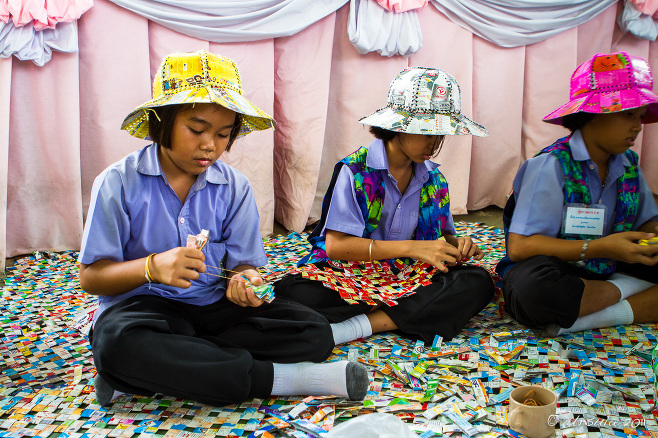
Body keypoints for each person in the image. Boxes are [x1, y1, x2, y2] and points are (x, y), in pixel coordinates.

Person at [78, 50, 368, 407]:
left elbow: (246, 266)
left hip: (213, 310)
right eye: (197, 129)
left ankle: (149, 371)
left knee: (312, 331)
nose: (210, 145)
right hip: (143, 309)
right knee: (118, 341)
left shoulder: (234, 187)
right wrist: (151, 267)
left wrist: (245, 281)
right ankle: (283, 379)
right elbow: (92, 278)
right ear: (160, 123)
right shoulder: (118, 182)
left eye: (223, 134)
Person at [275, 67, 496, 345]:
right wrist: (413, 248)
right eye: (426, 131)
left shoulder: (433, 179)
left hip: (406, 274)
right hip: (351, 272)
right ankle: (405, 311)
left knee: (478, 281)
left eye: (440, 133)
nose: (434, 142)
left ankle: (360, 325)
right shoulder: (356, 171)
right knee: (292, 292)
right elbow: (336, 247)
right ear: (397, 125)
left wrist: (460, 244)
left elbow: (445, 236)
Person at [496, 52, 658, 337]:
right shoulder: (550, 166)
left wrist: (650, 238)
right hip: (557, 268)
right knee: (533, 292)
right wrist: (600, 248)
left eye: (640, 116)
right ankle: (631, 297)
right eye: (628, 114)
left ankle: (589, 315)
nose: (637, 126)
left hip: (612, 264)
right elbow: (520, 248)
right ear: (592, 115)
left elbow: (645, 223)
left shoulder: (628, 162)